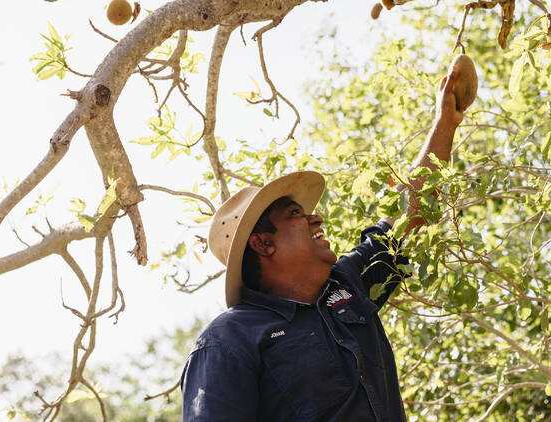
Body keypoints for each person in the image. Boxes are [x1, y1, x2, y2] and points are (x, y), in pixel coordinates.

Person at [180, 67, 464, 421]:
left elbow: (407, 218)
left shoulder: (346, 285)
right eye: (297, 213)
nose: (316, 218)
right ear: (264, 243)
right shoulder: (230, 340)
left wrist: (446, 123)